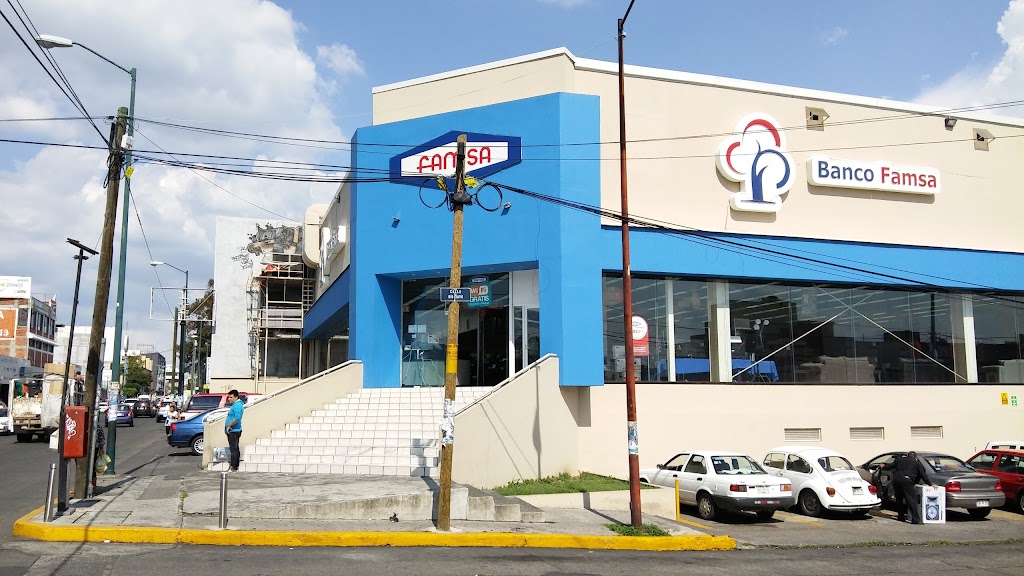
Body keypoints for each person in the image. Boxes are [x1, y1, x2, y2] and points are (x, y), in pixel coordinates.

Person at [882, 451, 937, 524]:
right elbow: (923, 474)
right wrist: (930, 484)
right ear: (915, 457)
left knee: (899, 499)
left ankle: (900, 516)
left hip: (896, 480)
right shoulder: (917, 463)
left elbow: (889, 467)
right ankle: (915, 519)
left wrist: (883, 466)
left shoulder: (899, 460)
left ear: (907, 455)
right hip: (907, 480)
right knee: (911, 499)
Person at [224, 390, 244, 472]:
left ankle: (234, 466)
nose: (229, 399)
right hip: (233, 431)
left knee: (234, 449)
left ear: (236, 397)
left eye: (231, 397)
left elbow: (237, 418)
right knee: (234, 448)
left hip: (234, 431)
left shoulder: (237, 406)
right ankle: (234, 466)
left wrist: (229, 425)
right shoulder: (235, 405)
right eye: (228, 397)